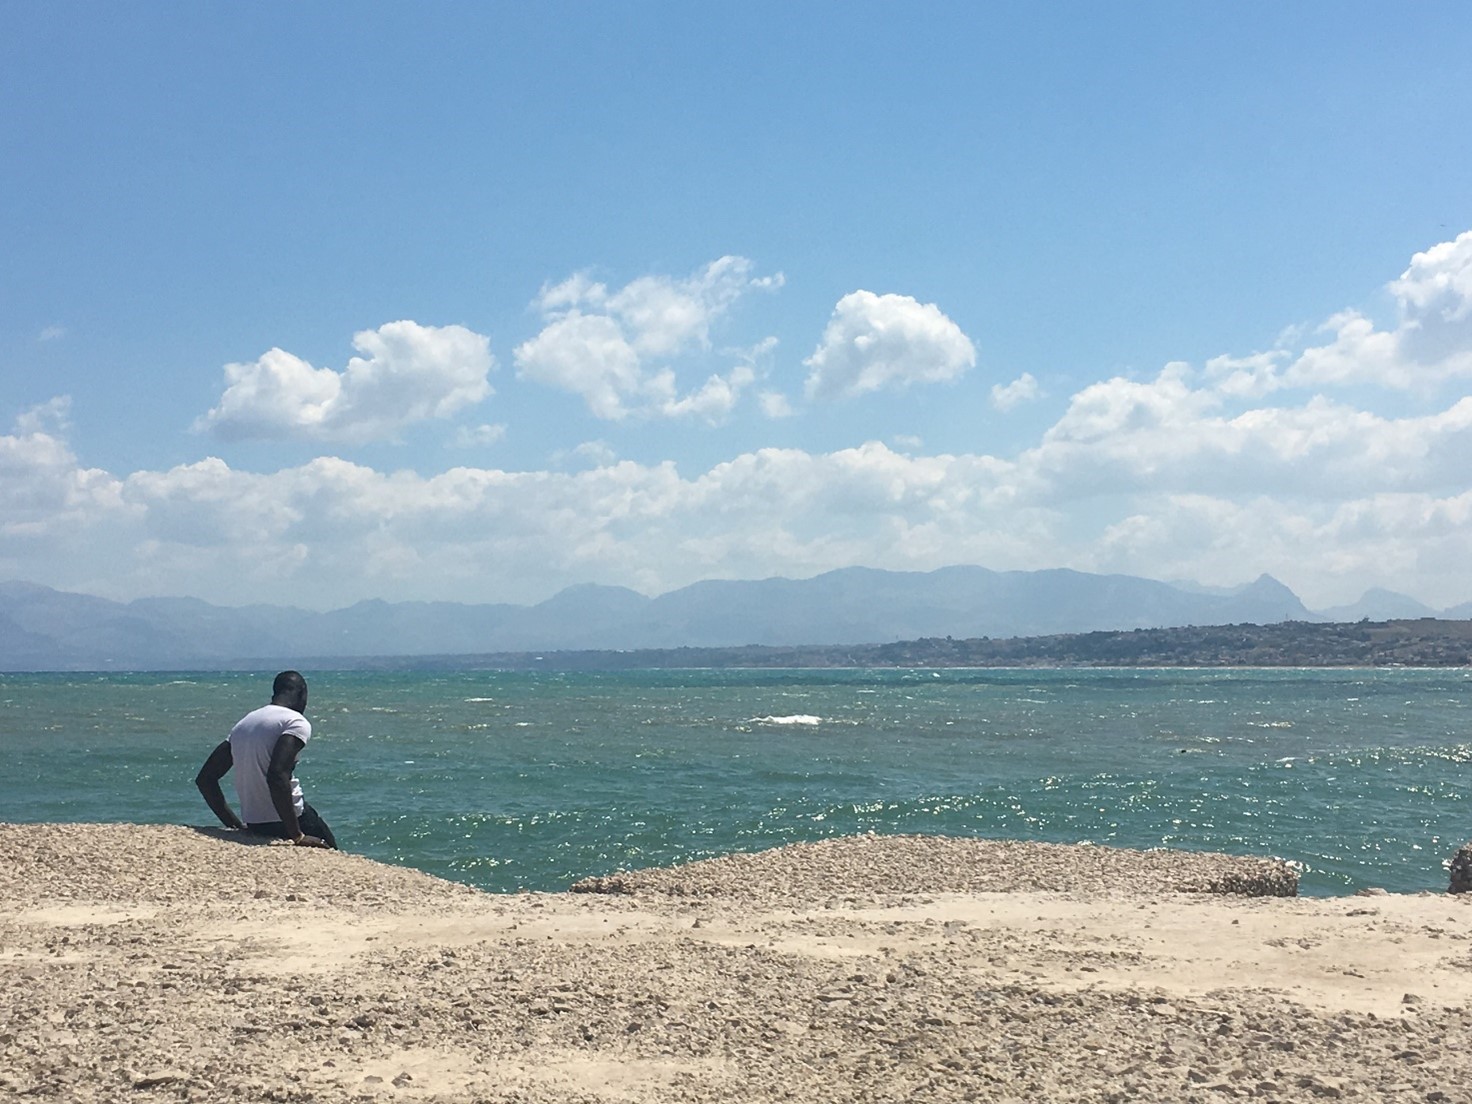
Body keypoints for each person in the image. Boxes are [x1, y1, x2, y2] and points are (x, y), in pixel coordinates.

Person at [195, 670, 337, 848]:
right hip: (292, 820)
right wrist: (297, 835)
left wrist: (235, 826)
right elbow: (277, 775)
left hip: (256, 824)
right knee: (334, 851)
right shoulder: (295, 722)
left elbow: (205, 779)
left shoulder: (245, 722)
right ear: (303, 693)